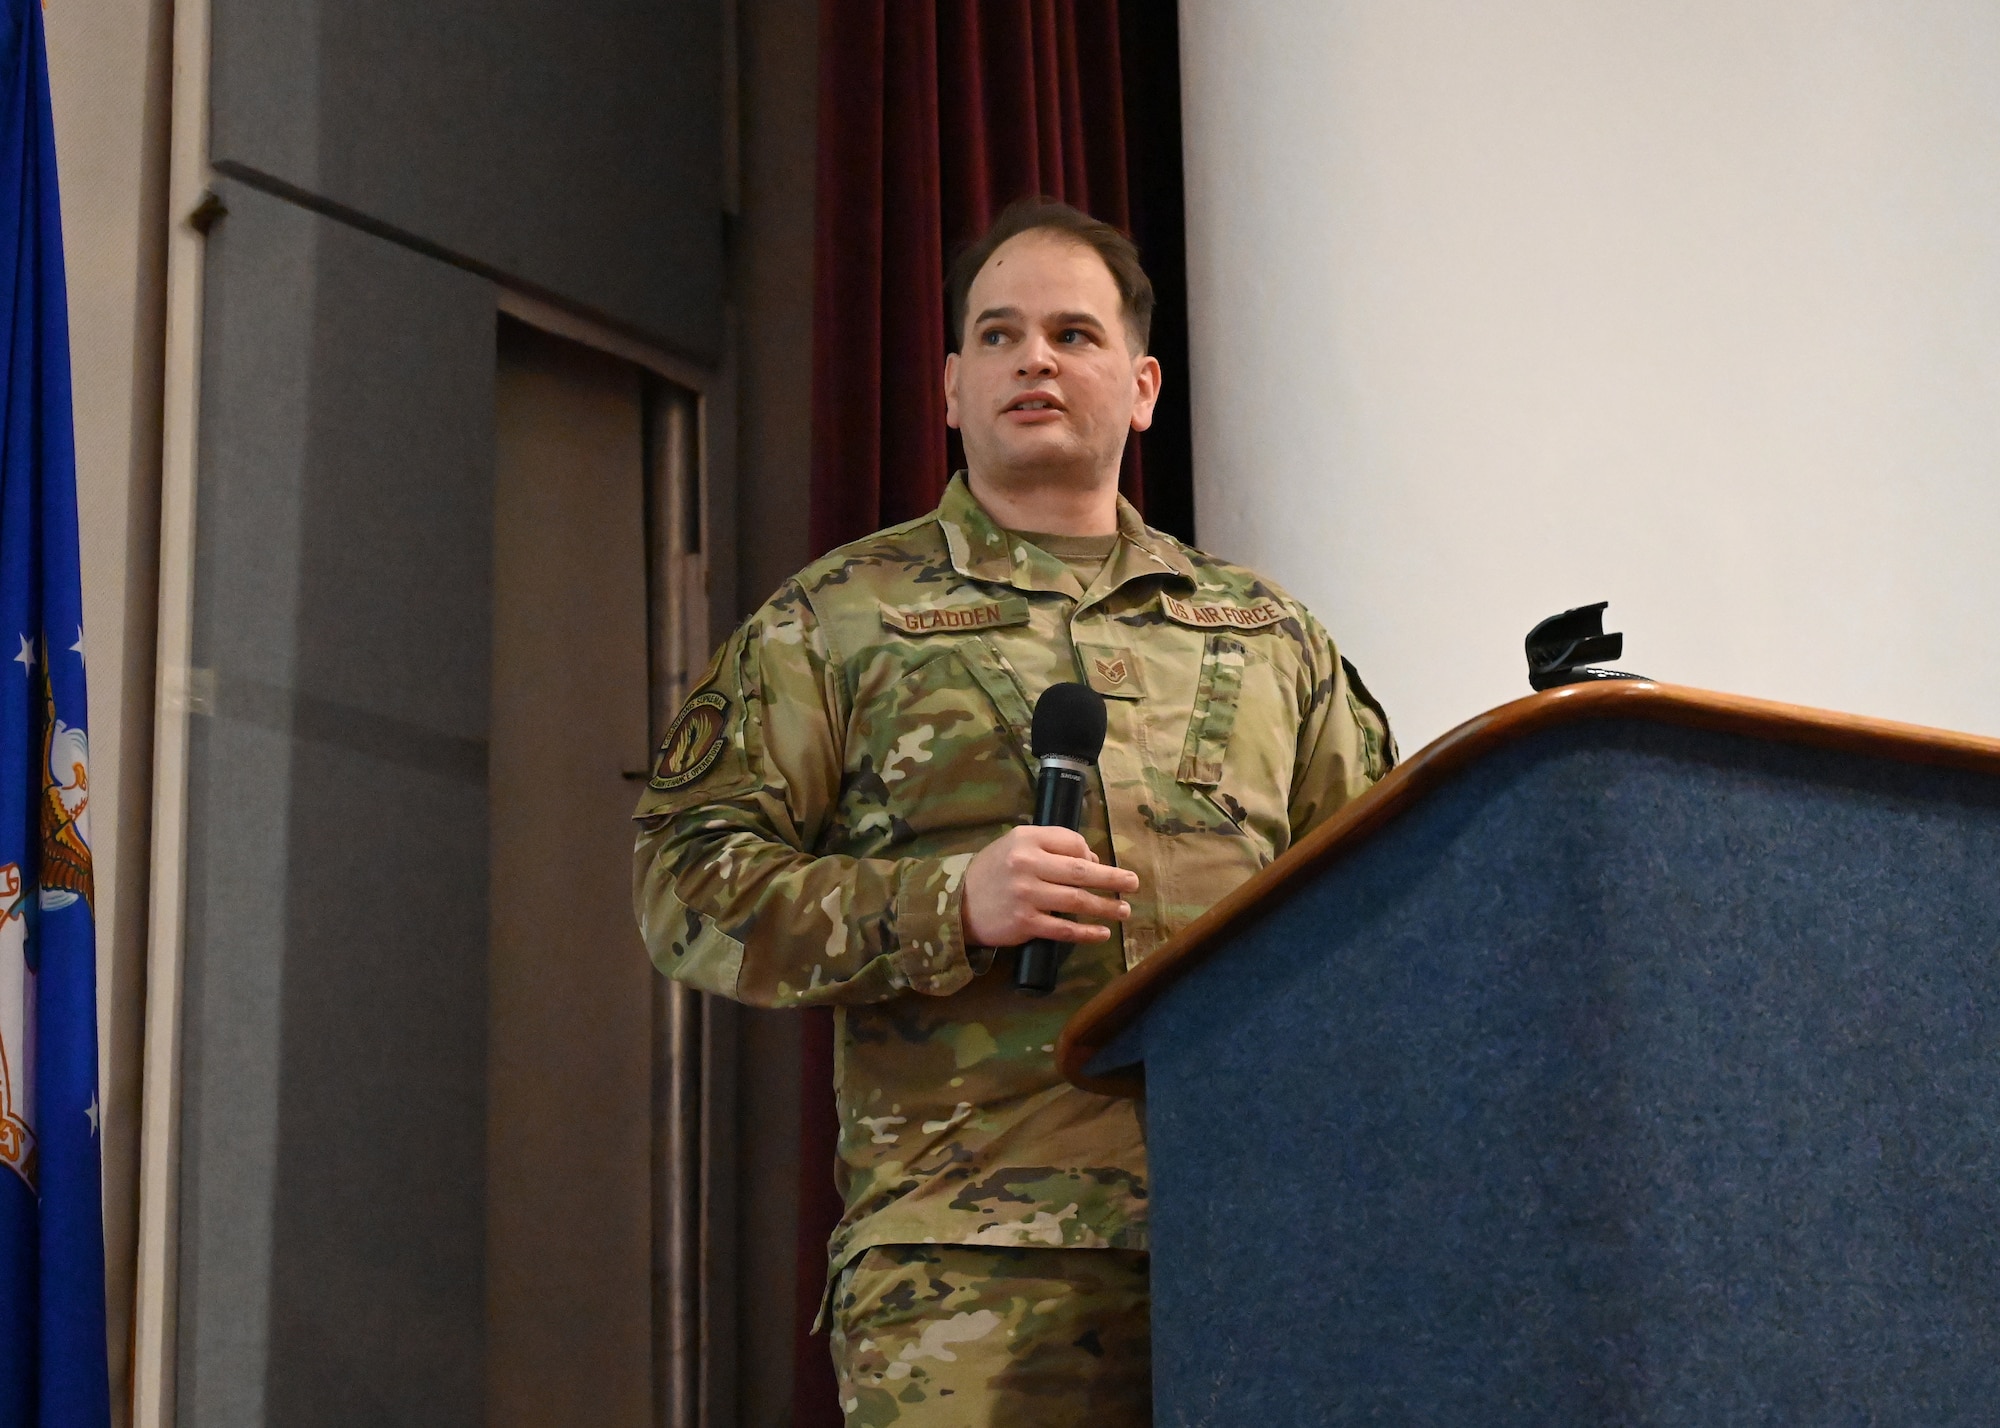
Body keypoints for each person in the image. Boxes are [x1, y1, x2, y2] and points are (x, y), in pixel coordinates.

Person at [631, 198, 1394, 1427]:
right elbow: (685, 883)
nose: (1033, 358)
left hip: (1256, 1247)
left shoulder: (1268, 639)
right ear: (947, 387)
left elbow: (1385, 912)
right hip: (969, 1267)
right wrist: (947, 904)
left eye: (1071, 334)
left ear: (1141, 388)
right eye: (996, 336)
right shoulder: (836, 619)